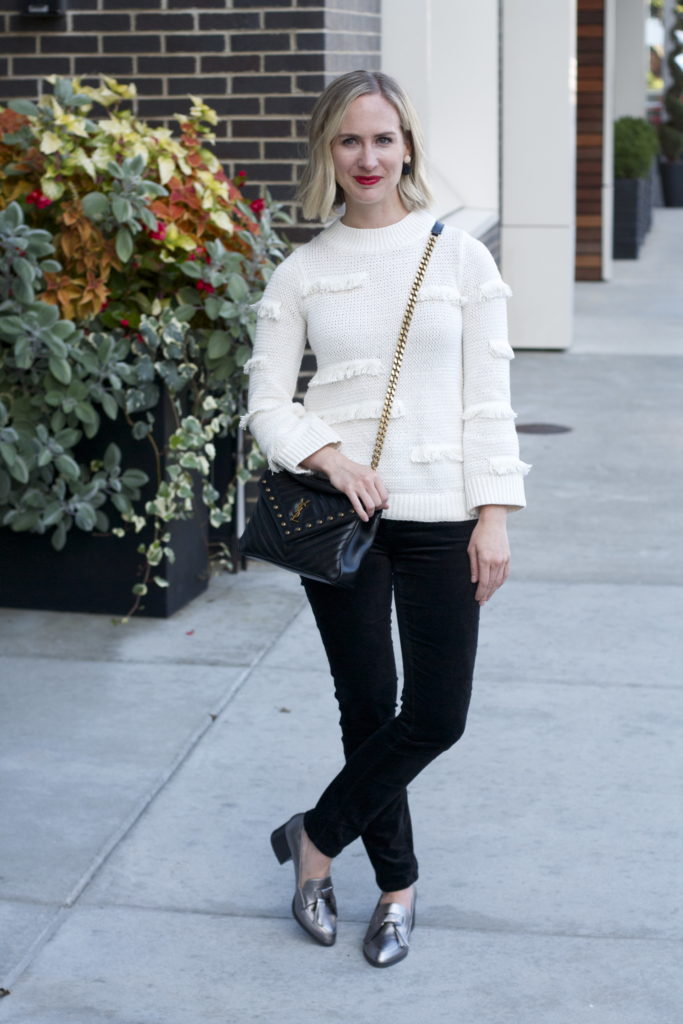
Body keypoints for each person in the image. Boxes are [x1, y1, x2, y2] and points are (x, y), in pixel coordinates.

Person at [241, 69, 530, 968]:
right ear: (328, 150)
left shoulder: (458, 256)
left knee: (435, 714)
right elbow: (265, 405)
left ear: (406, 144)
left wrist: (494, 514)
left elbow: (489, 397)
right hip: (344, 518)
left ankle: (315, 840)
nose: (367, 158)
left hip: (444, 513)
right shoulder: (304, 270)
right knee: (366, 707)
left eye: (383, 138)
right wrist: (328, 455)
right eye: (348, 141)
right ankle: (397, 888)